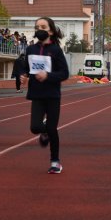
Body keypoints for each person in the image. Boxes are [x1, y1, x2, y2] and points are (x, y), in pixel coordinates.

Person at [20, 17, 69, 174]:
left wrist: (48, 76)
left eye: (43, 26)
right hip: (36, 93)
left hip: (52, 95)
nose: (39, 29)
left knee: (52, 129)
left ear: (51, 31)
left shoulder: (56, 51)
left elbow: (64, 73)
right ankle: (44, 131)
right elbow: (28, 69)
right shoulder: (30, 49)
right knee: (35, 127)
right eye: (37, 27)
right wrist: (25, 77)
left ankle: (55, 162)